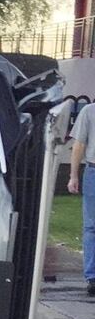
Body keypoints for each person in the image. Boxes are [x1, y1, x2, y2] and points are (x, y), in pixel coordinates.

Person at [68, 103, 95, 296]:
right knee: (92, 226)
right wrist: (73, 175)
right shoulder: (89, 112)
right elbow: (79, 145)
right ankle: (92, 276)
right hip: (93, 171)